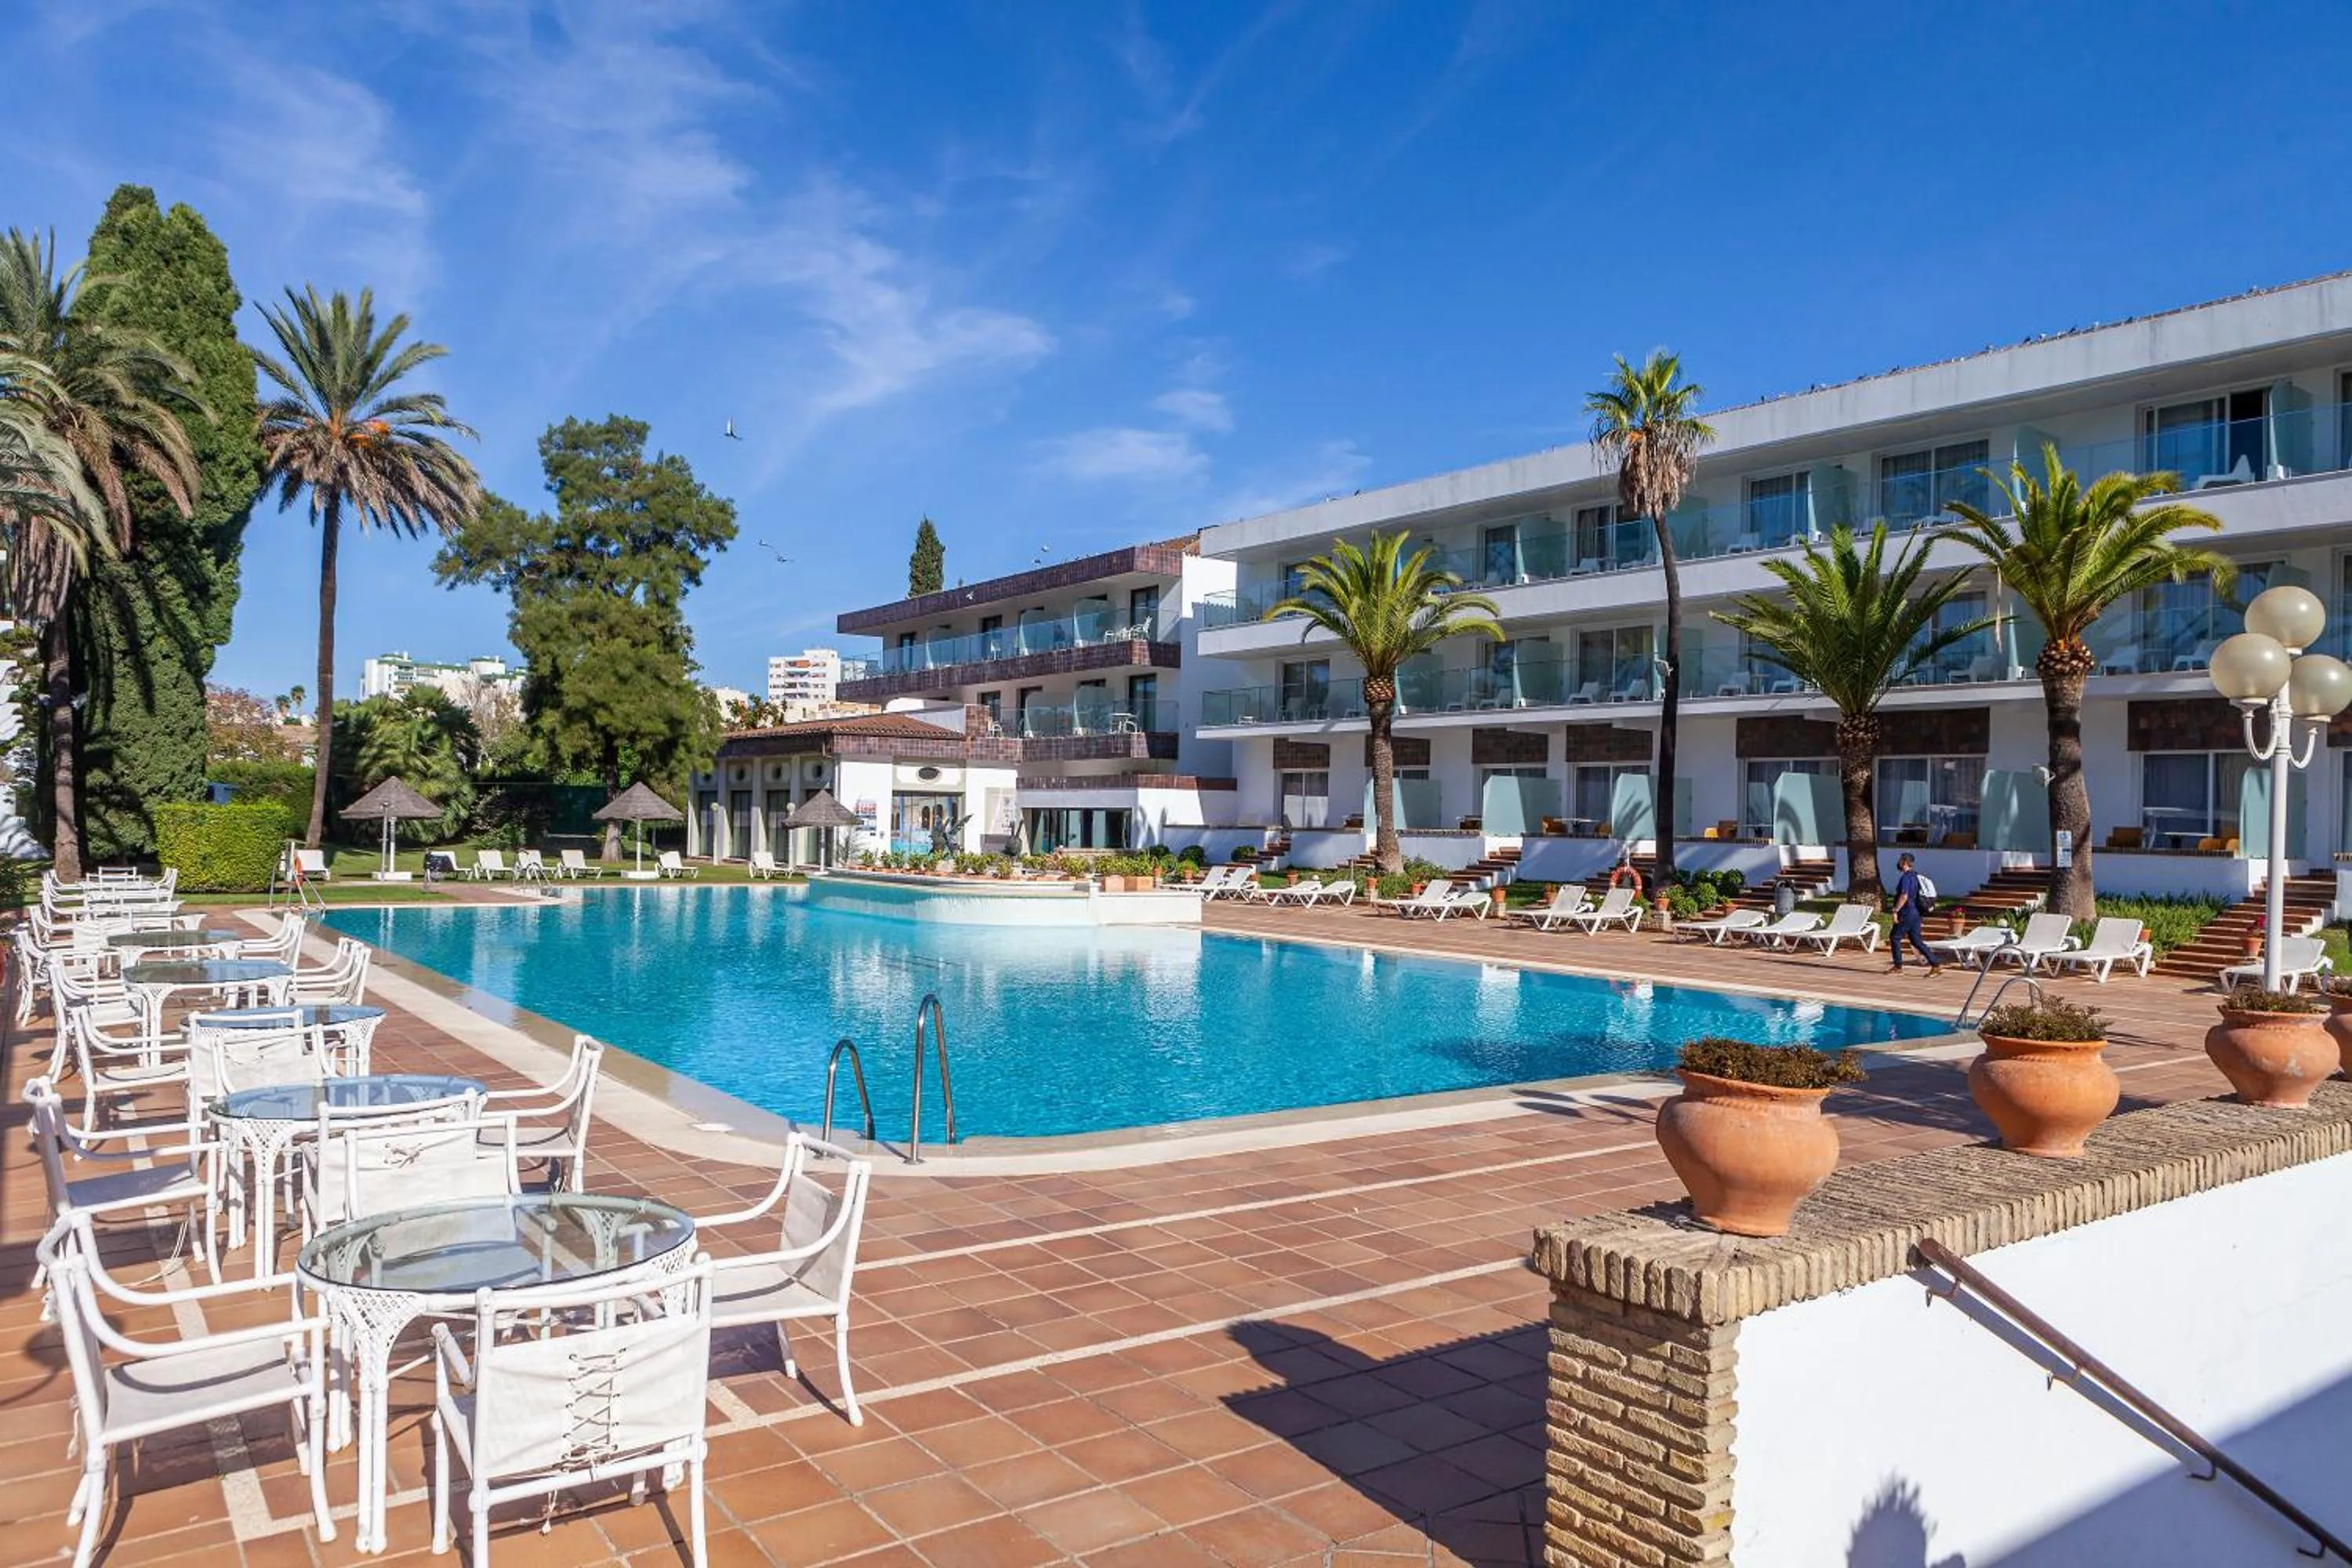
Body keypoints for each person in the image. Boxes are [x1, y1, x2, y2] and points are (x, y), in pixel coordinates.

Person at [1889, 852, 1942, 974]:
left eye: (1900, 861)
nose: (1899, 863)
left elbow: (1904, 895)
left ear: (1904, 862)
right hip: (1916, 913)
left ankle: (1898, 966)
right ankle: (1936, 964)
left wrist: (1896, 910)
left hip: (1906, 913)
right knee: (1916, 941)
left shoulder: (1906, 877)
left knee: (1895, 937)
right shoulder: (1916, 876)